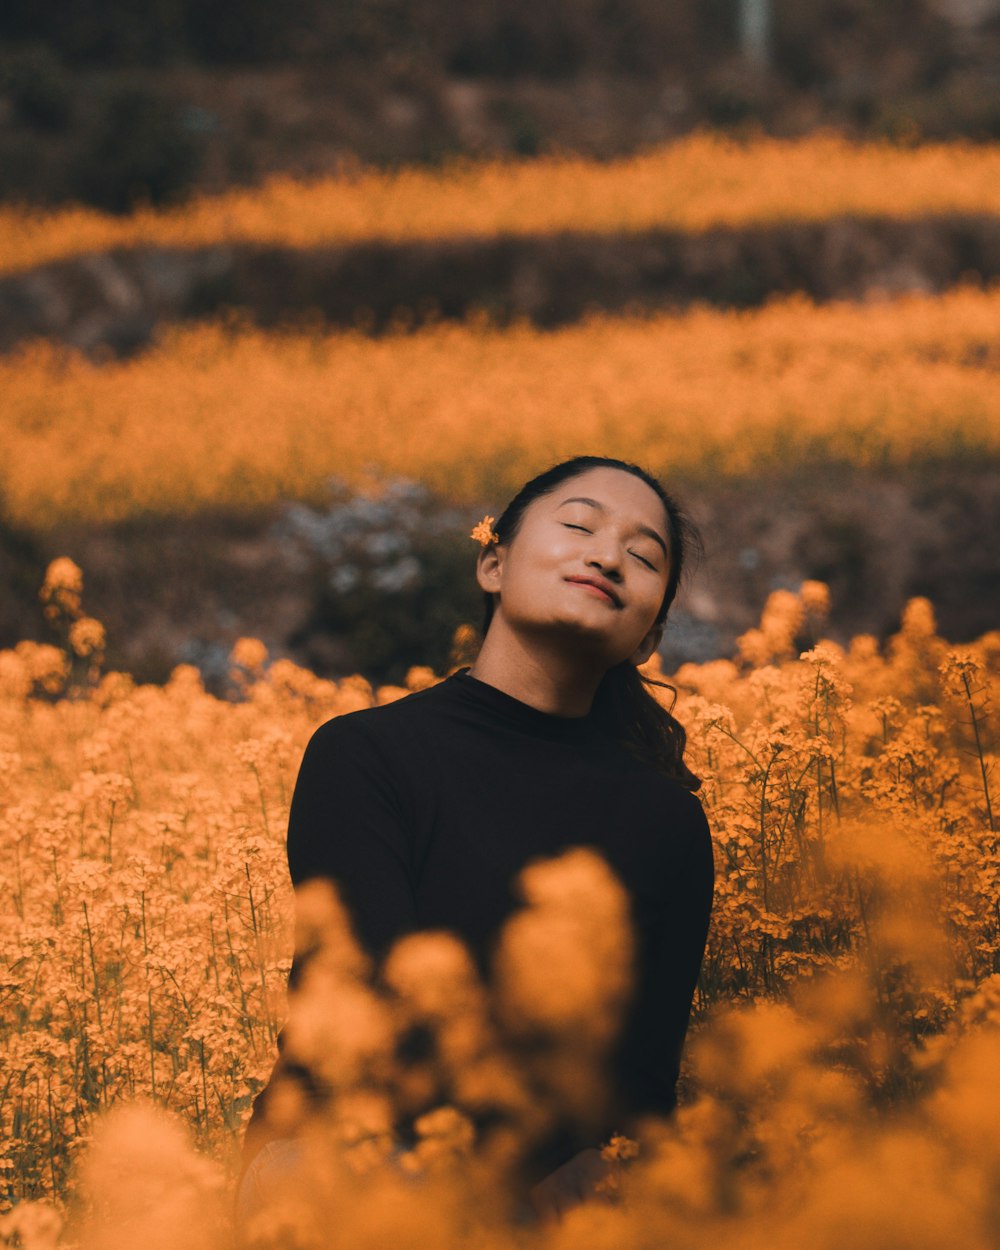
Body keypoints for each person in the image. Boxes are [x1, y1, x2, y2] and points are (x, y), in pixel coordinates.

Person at [237, 454, 715, 1228]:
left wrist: (590, 1180)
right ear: (493, 564)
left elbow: (643, 1084)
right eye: (579, 525)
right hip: (345, 1148)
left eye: (643, 555)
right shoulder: (367, 754)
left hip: (548, 1182)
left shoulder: (668, 821)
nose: (606, 556)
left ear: (649, 636)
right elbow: (369, 1019)